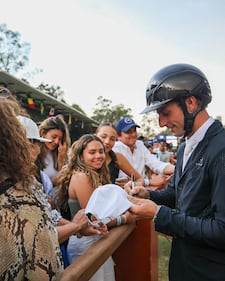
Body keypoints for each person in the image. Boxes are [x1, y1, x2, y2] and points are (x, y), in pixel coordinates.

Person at [127, 63, 225, 281]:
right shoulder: (184, 147)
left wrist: (159, 215)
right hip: (184, 266)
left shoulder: (221, 148)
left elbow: (221, 230)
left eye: (165, 113)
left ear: (191, 102)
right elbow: (176, 196)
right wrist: (148, 194)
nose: (161, 123)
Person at [17, 115, 104, 268]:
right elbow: (39, 237)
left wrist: (76, 227)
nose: (38, 150)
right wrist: (76, 227)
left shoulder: (30, 177)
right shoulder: (13, 184)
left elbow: (49, 213)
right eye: (36, 143)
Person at [55, 134, 135, 281]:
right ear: (81, 156)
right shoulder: (81, 176)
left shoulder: (96, 174)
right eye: (92, 152)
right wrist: (123, 218)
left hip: (99, 238)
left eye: (101, 151)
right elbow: (95, 219)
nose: (98, 156)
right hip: (84, 243)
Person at [0, 98, 63, 280]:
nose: (37, 149)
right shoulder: (25, 196)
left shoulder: (37, 180)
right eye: (35, 143)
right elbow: (50, 272)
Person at [113, 117, 174, 188]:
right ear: (118, 136)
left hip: (142, 190)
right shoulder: (115, 149)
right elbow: (121, 181)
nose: (133, 134)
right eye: (128, 132)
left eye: (134, 131)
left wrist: (177, 169)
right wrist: (150, 181)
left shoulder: (140, 145)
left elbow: (155, 164)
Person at [37, 114, 71, 187]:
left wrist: (61, 158)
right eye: (54, 137)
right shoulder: (34, 153)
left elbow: (64, 181)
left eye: (60, 139)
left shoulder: (60, 153)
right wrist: (51, 183)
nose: (56, 142)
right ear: (43, 133)